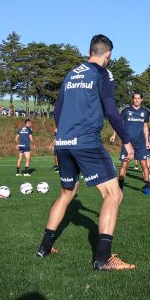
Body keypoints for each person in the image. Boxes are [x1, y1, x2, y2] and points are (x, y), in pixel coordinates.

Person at [37, 34, 135, 270]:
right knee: (114, 195)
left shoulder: (71, 74)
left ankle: (45, 247)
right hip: (86, 142)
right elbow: (111, 110)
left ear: (91, 50)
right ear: (107, 54)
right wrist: (127, 140)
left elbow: (58, 109)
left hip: (64, 142)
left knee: (67, 193)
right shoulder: (102, 73)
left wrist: (61, 135)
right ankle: (103, 258)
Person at [112, 92, 150, 195]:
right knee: (124, 164)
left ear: (141, 99)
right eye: (135, 98)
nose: (137, 100)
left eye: (139, 98)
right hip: (128, 143)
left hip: (141, 143)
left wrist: (147, 141)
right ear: (132, 99)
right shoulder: (126, 110)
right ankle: (120, 186)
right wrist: (114, 135)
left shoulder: (145, 112)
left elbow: (145, 127)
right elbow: (118, 124)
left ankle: (147, 186)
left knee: (144, 165)